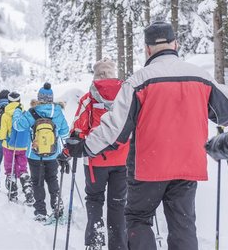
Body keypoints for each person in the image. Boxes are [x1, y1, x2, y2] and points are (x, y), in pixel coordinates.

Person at [64, 21, 228, 250]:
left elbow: (114, 129)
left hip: (149, 168)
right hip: (188, 166)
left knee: (138, 219)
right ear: (176, 44)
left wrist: (83, 147)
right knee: (183, 224)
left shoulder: (139, 81)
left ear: (147, 49)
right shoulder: (201, 78)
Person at [69, 58, 129, 250]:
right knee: (118, 204)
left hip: (95, 161)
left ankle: (95, 241)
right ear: (113, 74)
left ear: (96, 76)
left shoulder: (89, 98)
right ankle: (118, 245)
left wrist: (67, 150)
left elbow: (78, 129)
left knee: (95, 200)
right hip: (123, 160)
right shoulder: (126, 96)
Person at [13, 83, 69, 222]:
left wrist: (17, 113)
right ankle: (57, 207)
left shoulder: (32, 112)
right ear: (51, 98)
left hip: (34, 154)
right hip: (53, 154)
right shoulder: (57, 112)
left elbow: (17, 126)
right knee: (52, 179)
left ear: (39, 98)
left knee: (37, 182)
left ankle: (40, 212)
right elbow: (65, 133)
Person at [0, 92, 34, 204]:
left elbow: (2, 135)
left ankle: (12, 193)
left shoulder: (5, 115)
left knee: (9, 170)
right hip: (23, 147)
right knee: (23, 169)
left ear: (9, 101)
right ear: (19, 101)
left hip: (9, 147)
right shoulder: (24, 113)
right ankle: (28, 191)